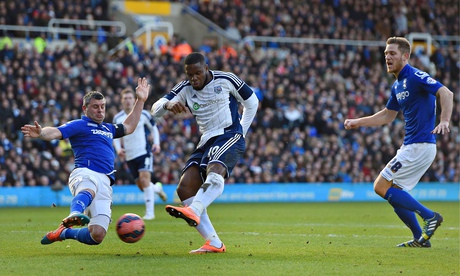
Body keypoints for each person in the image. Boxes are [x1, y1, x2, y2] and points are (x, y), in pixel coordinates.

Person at [344, 37, 453, 248]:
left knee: (380, 186)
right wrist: (358, 122)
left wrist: (445, 120)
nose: (387, 57)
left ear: (406, 56)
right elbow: (387, 115)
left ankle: (430, 216)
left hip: (419, 145)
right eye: (386, 53)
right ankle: (419, 239)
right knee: (394, 193)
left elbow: (446, 92)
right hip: (413, 146)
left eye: (392, 53)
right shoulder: (397, 85)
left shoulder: (415, 76)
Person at [21, 77, 151, 245]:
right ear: (85, 108)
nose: (100, 111)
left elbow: (129, 127)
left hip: (106, 181)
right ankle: (74, 214)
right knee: (89, 188)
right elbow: (55, 132)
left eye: (102, 106)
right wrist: (41, 134)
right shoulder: (79, 125)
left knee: (97, 235)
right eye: (95, 107)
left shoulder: (108, 128)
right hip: (85, 172)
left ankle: (64, 233)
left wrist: (140, 100)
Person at [151, 52, 259, 253]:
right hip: (206, 140)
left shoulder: (226, 79)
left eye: (198, 73)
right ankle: (214, 242)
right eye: (190, 74)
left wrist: (241, 131)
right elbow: (154, 108)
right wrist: (168, 104)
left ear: (206, 68)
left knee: (215, 169)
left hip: (228, 133)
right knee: (185, 189)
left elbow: (252, 101)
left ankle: (195, 209)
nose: (194, 78)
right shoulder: (185, 88)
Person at [113, 87, 167, 220]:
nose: (128, 101)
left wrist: (156, 144)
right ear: (121, 101)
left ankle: (150, 213)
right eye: (125, 98)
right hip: (130, 156)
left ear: (134, 99)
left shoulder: (143, 114)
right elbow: (116, 136)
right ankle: (157, 189)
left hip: (144, 152)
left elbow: (153, 128)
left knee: (144, 180)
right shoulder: (117, 118)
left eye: (130, 98)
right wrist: (119, 149)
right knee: (143, 186)